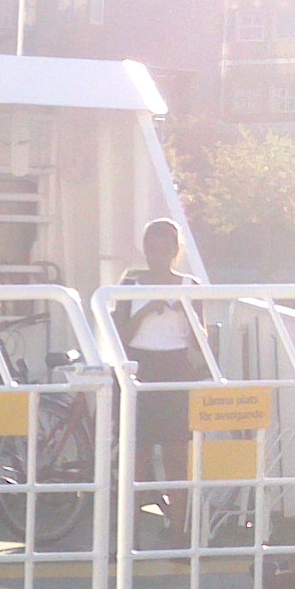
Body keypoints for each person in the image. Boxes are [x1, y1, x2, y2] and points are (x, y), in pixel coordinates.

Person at [117, 217, 207, 544]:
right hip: (139, 368)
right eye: (152, 249)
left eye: (165, 249)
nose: (158, 256)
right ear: (145, 250)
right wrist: (145, 310)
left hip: (175, 370)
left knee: (176, 457)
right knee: (136, 457)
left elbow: (201, 342)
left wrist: (185, 311)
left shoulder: (190, 286)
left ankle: (178, 533)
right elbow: (120, 337)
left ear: (175, 250)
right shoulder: (129, 286)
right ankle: (130, 536)